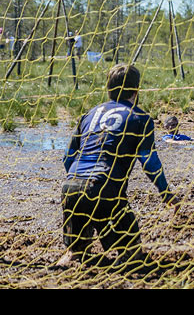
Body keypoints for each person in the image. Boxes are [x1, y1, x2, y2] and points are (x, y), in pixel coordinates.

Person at [57, 64, 179, 267]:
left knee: (75, 254)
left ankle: (72, 255)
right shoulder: (141, 118)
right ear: (136, 90)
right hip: (105, 188)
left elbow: (68, 157)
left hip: (71, 189)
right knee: (133, 256)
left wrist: (81, 182)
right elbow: (149, 161)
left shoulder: (89, 114)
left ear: (109, 89)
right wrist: (166, 194)